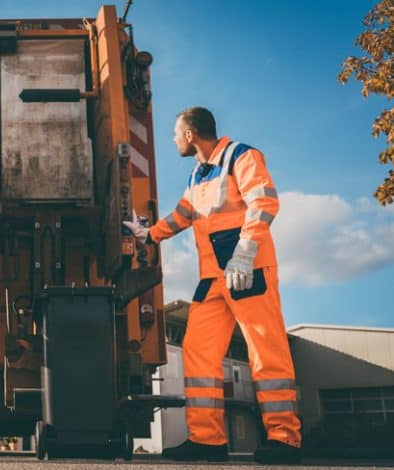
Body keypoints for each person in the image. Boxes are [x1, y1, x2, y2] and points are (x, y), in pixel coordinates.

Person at [123, 107, 301, 464]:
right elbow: (184, 215)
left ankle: (284, 438)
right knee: (197, 349)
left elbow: (264, 202)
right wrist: (149, 234)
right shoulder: (197, 176)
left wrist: (245, 254)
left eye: (175, 134)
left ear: (190, 135)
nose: (173, 140)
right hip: (215, 279)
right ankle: (207, 439)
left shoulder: (241, 156)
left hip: (248, 272)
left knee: (266, 351)